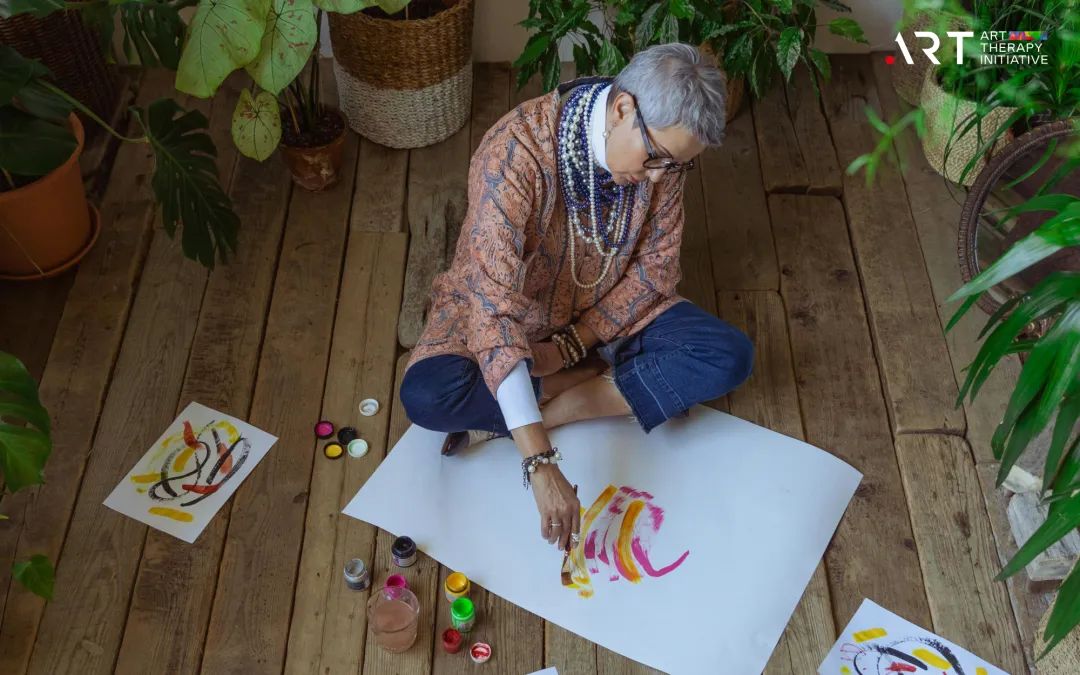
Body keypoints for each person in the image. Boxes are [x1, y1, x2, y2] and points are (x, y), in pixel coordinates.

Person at [400, 43, 754, 553]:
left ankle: (561, 405)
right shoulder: (514, 154)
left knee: (728, 355)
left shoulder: (662, 163)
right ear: (623, 108)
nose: (659, 176)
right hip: (511, 316)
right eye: (656, 157)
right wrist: (540, 463)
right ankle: (577, 385)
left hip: (610, 316)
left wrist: (573, 345)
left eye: (676, 166)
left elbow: (654, 271)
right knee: (428, 395)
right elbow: (493, 309)